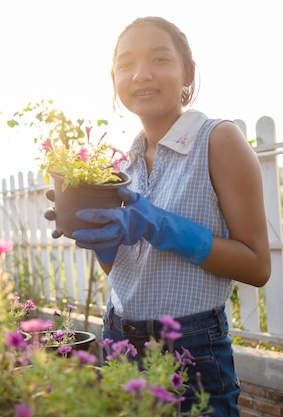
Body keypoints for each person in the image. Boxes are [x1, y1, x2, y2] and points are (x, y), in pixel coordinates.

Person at [45, 16, 270, 416]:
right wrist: (100, 238)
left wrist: (159, 225)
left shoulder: (217, 140)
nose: (141, 74)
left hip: (190, 347)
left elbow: (257, 266)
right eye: (126, 64)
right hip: (118, 336)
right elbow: (128, 275)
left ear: (188, 73)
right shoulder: (121, 165)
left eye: (159, 59)